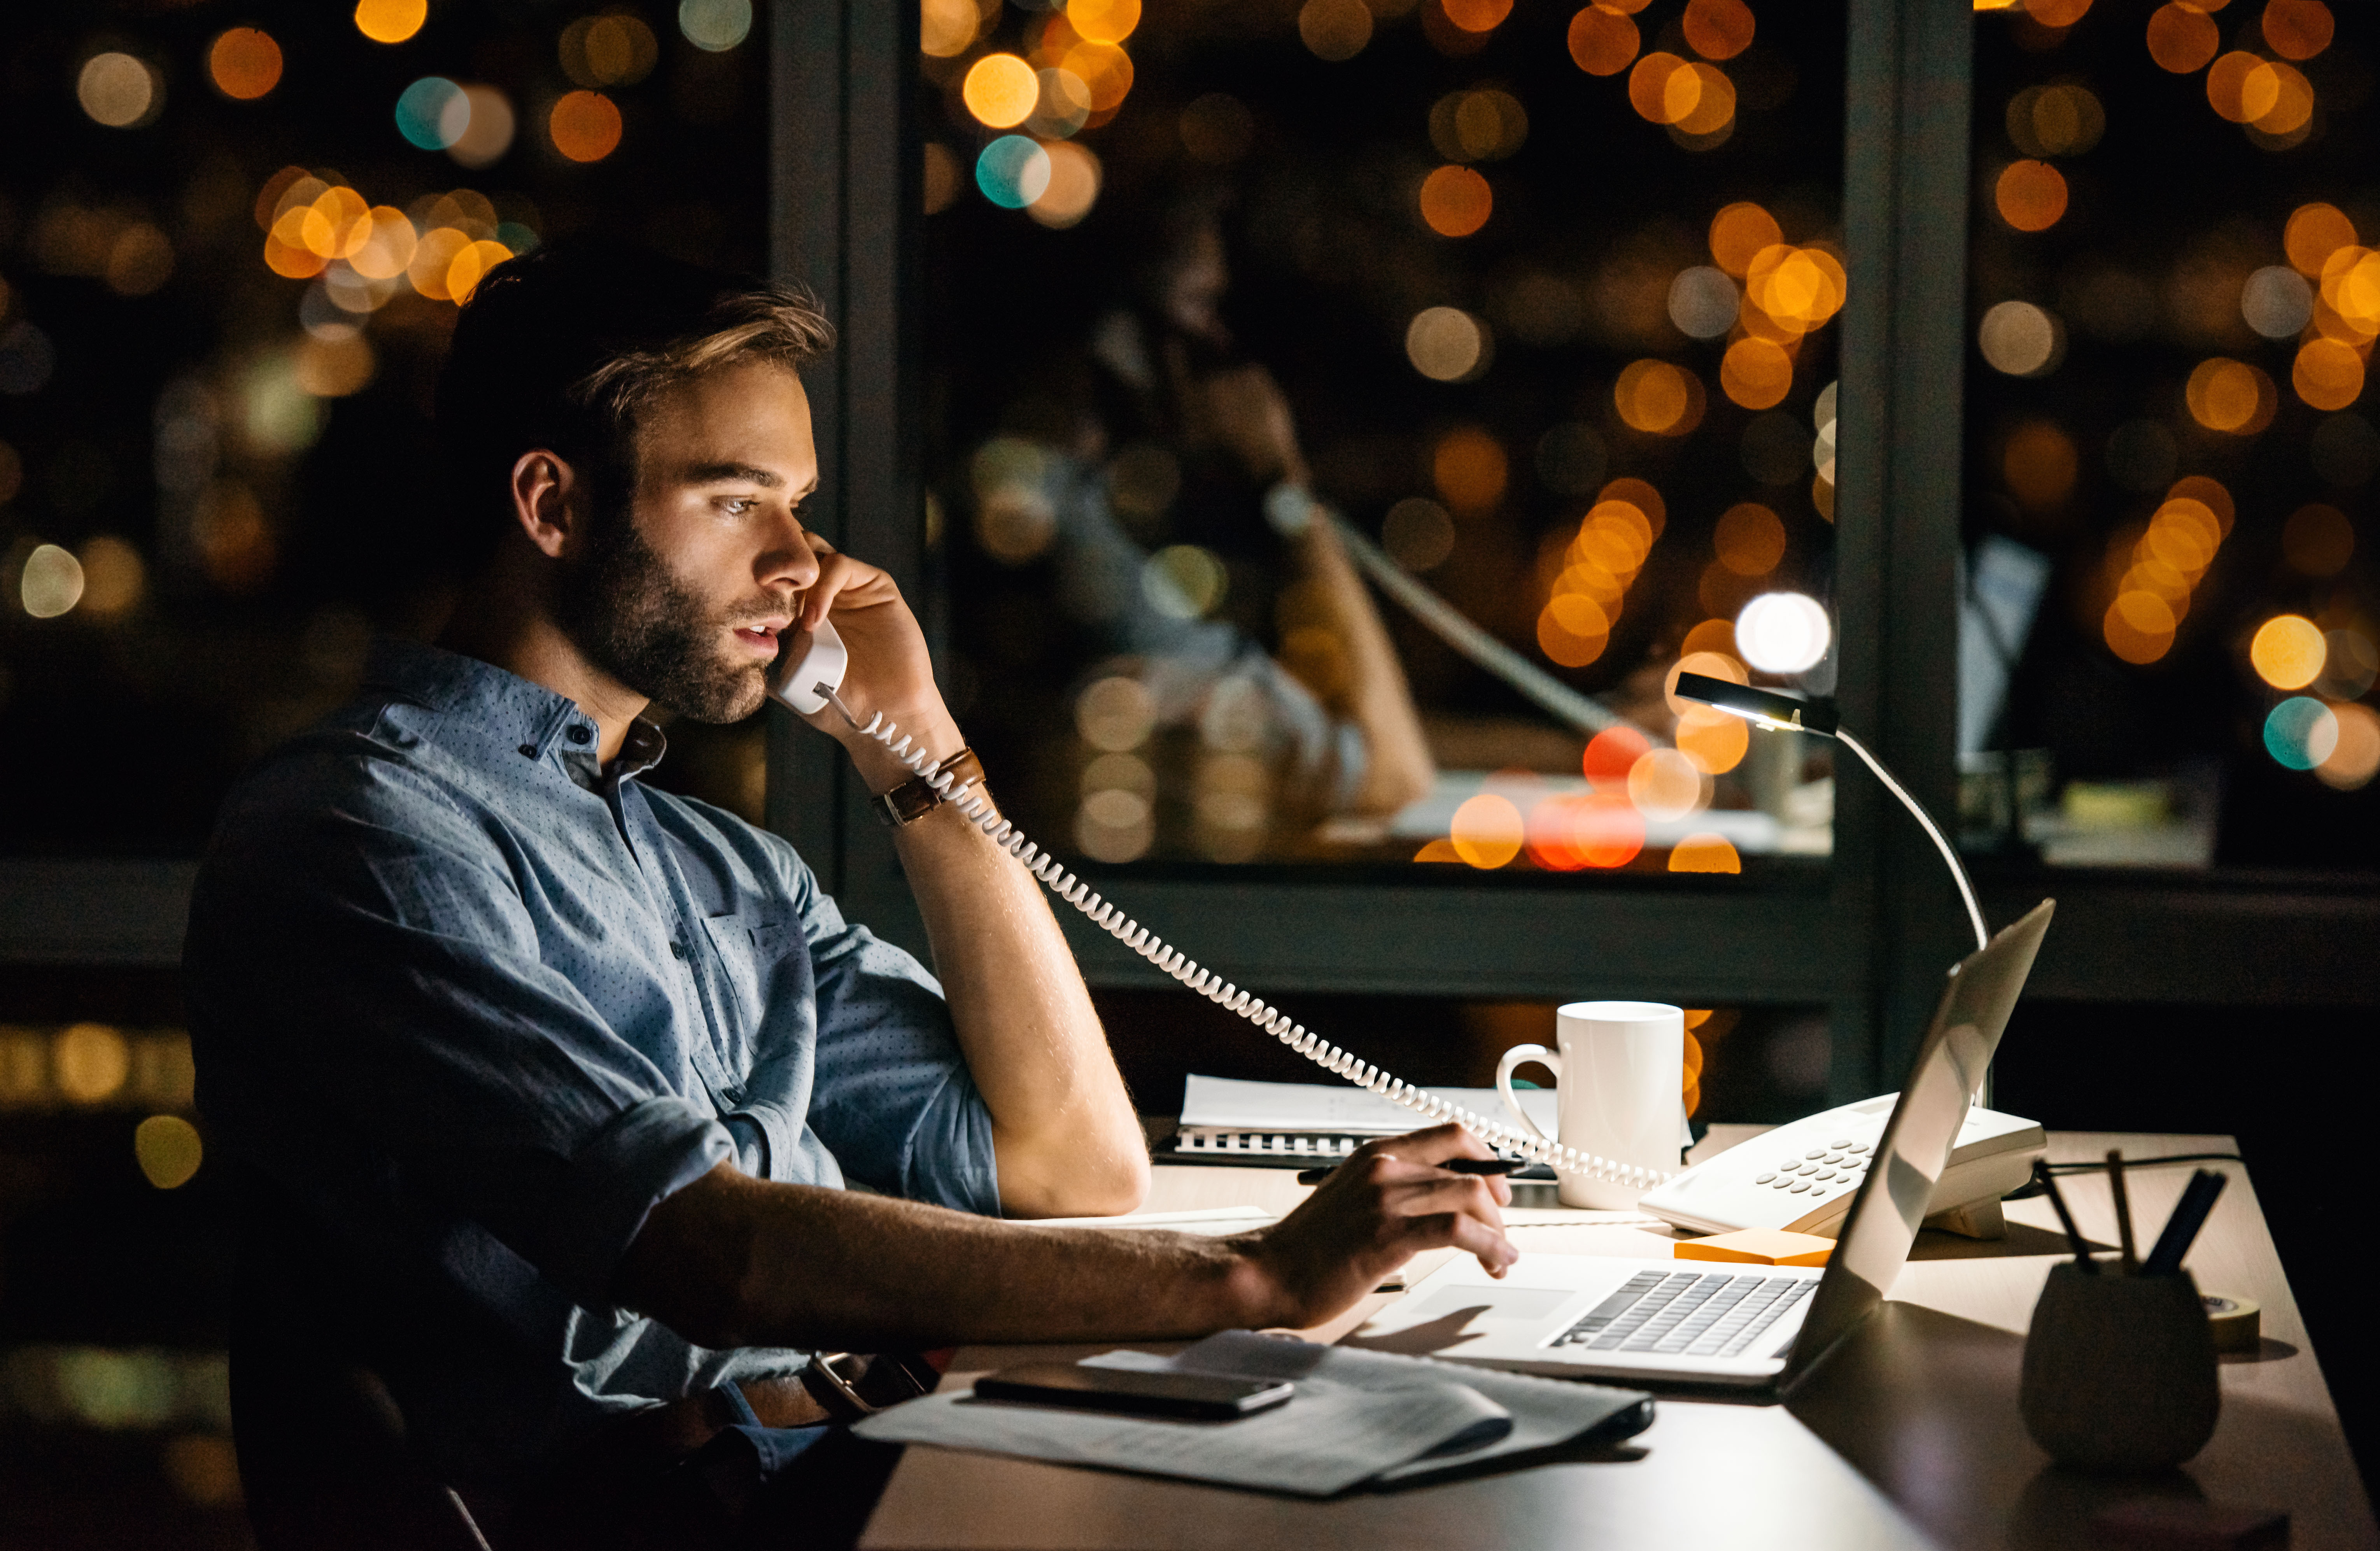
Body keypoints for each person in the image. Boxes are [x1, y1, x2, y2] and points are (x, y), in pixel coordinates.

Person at [183, 244, 1514, 1544]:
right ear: (554, 505)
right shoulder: (362, 832)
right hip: (680, 1505)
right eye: (734, 499)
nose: (800, 561)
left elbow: (1071, 1163)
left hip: (867, 1441)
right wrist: (1250, 1276)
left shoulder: (725, 865)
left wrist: (924, 756)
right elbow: (708, 1250)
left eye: (797, 503)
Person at [968, 188, 1436, 859]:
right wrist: (1285, 480)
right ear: (1117, 331)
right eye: (1197, 307)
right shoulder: (1077, 554)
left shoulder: (1058, 498)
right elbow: (1392, 775)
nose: (1220, 344)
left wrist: (1579, 749)